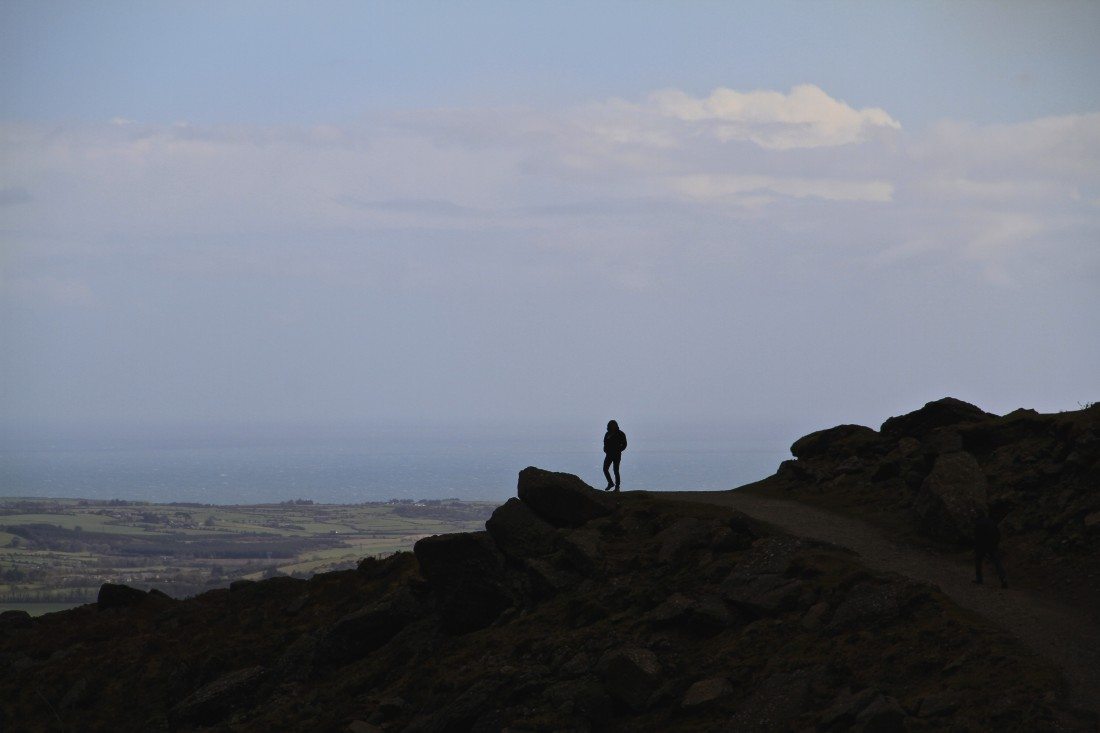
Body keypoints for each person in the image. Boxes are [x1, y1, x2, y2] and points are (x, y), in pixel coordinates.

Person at [973, 515, 1008, 588]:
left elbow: (977, 536)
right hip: (992, 545)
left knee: (978, 561)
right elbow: (998, 533)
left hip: (982, 545)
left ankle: (979, 578)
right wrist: (996, 544)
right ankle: (1003, 578)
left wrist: (977, 546)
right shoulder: (991, 522)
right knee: (997, 562)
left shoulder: (978, 523)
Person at [602, 420, 627, 492]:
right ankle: (610, 483)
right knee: (605, 469)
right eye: (610, 425)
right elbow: (605, 443)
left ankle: (617, 487)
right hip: (609, 454)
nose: (611, 427)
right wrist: (605, 449)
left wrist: (619, 450)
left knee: (616, 470)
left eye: (612, 425)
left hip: (616, 455)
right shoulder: (607, 434)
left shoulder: (621, 434)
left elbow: (624, 444)